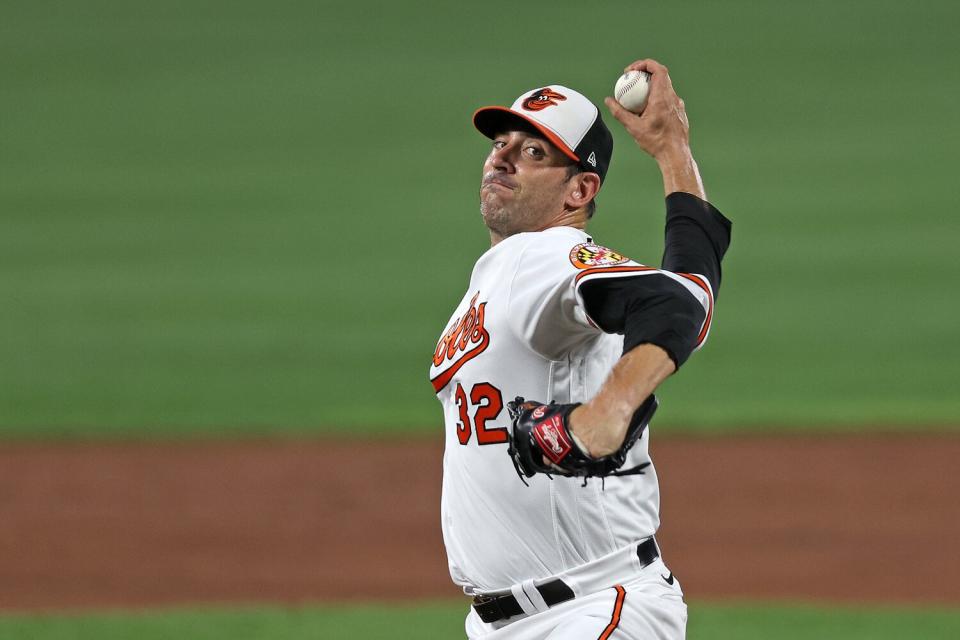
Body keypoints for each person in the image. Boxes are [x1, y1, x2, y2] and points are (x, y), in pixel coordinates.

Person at [428, 59, 731, 640]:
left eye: (535, 152)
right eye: (501, 142)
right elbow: (691, 287)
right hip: (517, 622)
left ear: (580, 189)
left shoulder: (539, 258)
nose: (503, 156)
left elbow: (673, 308)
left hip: (590, 610)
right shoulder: (502, 275)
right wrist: (673, 154)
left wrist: (606, 413)